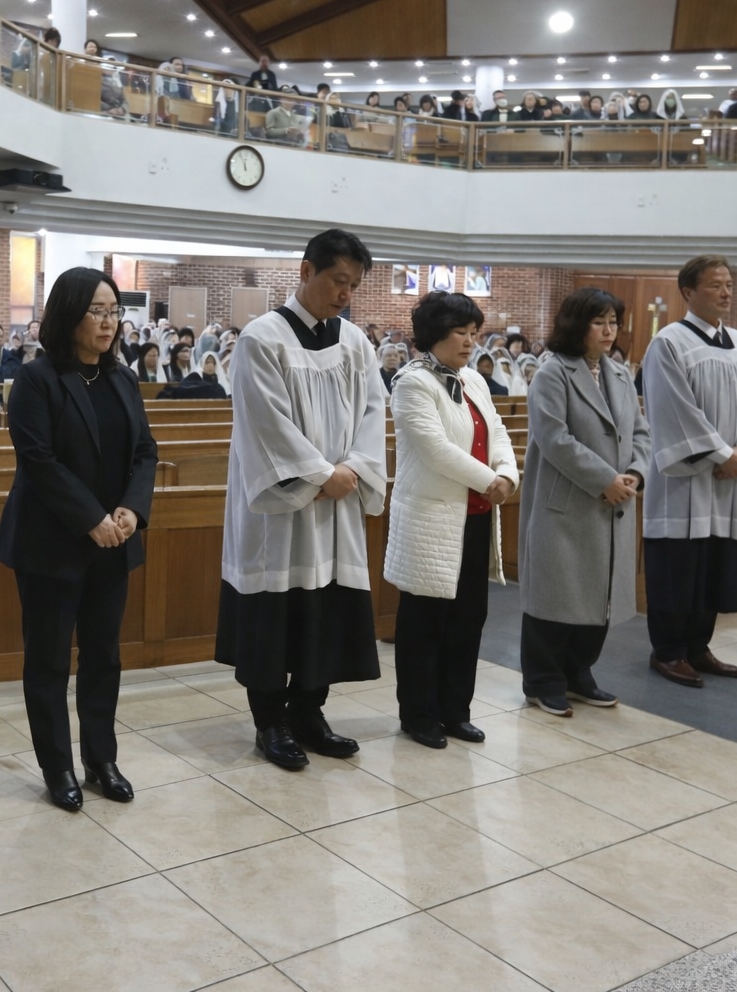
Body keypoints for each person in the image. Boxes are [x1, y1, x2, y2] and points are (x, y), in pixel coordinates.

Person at [216, 229, 387, 771]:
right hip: (282, 508)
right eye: (338, 280)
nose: (346, 294)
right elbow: (264, 424)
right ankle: (271, 722)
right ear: (306, 271)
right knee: (275, 614)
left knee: (325, 611)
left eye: (354, 285)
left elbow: (373, 412)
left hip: (337, 502)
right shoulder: (262, 339)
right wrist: (320, 474)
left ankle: (310, 714)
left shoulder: (354, 342)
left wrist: (353, 468)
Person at [0, 267, 158, 810]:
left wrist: (131, 508)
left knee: (103, 656)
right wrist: (91, 518)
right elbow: (38, 460)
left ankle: (101, 759)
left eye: (114, 312)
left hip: (114, 540)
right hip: (52, 543)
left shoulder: (122, 379)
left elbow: (145, 451)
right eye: (97, 312)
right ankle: (57, 766)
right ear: (68, 315)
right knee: (49, 661)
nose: (109, 323)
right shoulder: (37, 379)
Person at [385, 291, 517, 747]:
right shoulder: (412, 383)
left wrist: (507, 473)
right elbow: (436, 449)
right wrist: (489, 479)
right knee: (425, 623)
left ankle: (456, 711)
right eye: (460, 332)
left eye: (473, 333)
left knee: (468, 619)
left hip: (475, 517)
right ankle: (419, 715)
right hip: (431, 520)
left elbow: (497, 432)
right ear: (434, 334)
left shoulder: (473, 380)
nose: (469, 341)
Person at [641, 254, 737, 689]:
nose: (726, 292)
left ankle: (699, 646)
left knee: (715, 565)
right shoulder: (669, 343)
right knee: (678, 567)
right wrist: (721, 455)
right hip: (686, 481)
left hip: (730, 480)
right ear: (689, 291)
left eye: (729, 284)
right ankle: (668, 651)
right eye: (716, 285)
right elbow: (672, 410)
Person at [518, 289, 650, 716]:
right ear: (577, 325)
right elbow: (555, 438)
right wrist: (604, 479)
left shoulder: (619, 373)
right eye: (599, 322)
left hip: (614, 503)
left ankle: (579, 673)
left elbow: (641, 432)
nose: (609, 331)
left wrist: (636, 472)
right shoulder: (553, 373)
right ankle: (542, 681)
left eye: (613, 322)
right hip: (567, 505)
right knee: (556, 595)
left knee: (599, 595)